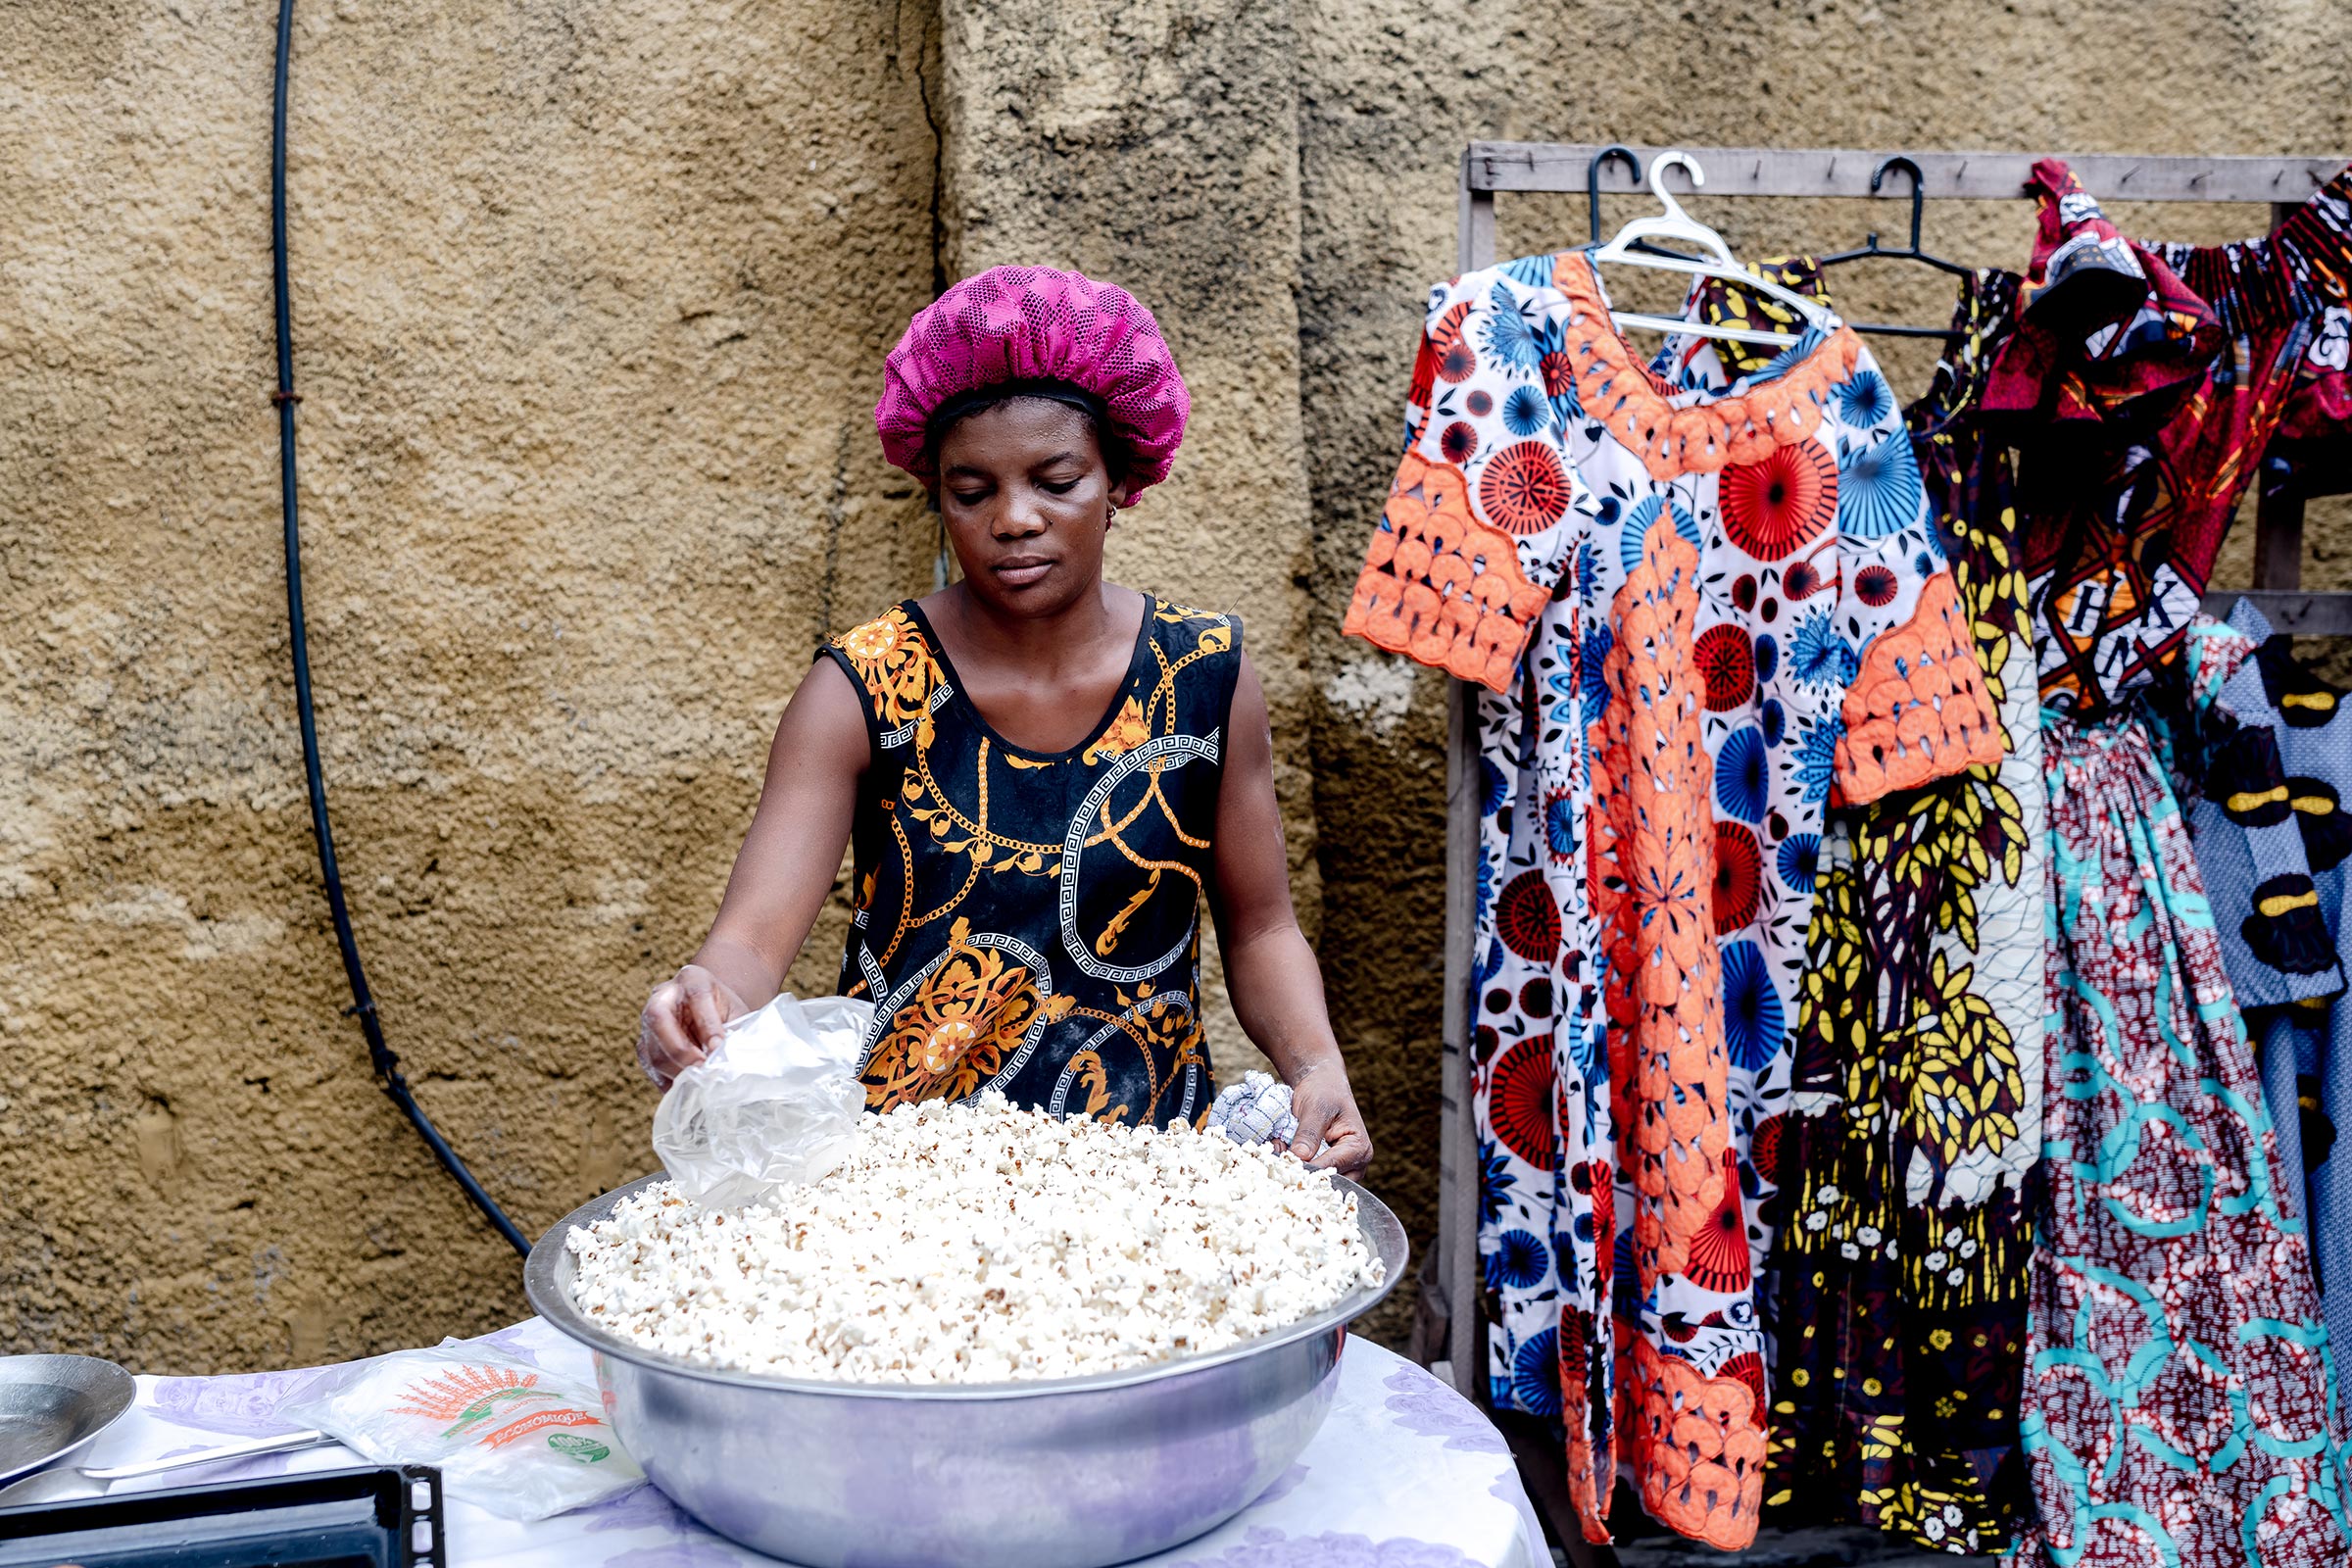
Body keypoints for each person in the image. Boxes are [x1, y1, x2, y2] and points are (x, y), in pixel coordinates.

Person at [635, 265, 1371, 1177]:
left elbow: (1260, 929)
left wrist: (1315, 1065)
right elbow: (750, 939)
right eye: (972, 491)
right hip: (901, 1183)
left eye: (1056, 481)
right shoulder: (864, 686)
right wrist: (702, 1003)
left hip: (1150, 1183)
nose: (1014, 519)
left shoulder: (1203, 679)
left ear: (1119, 480)